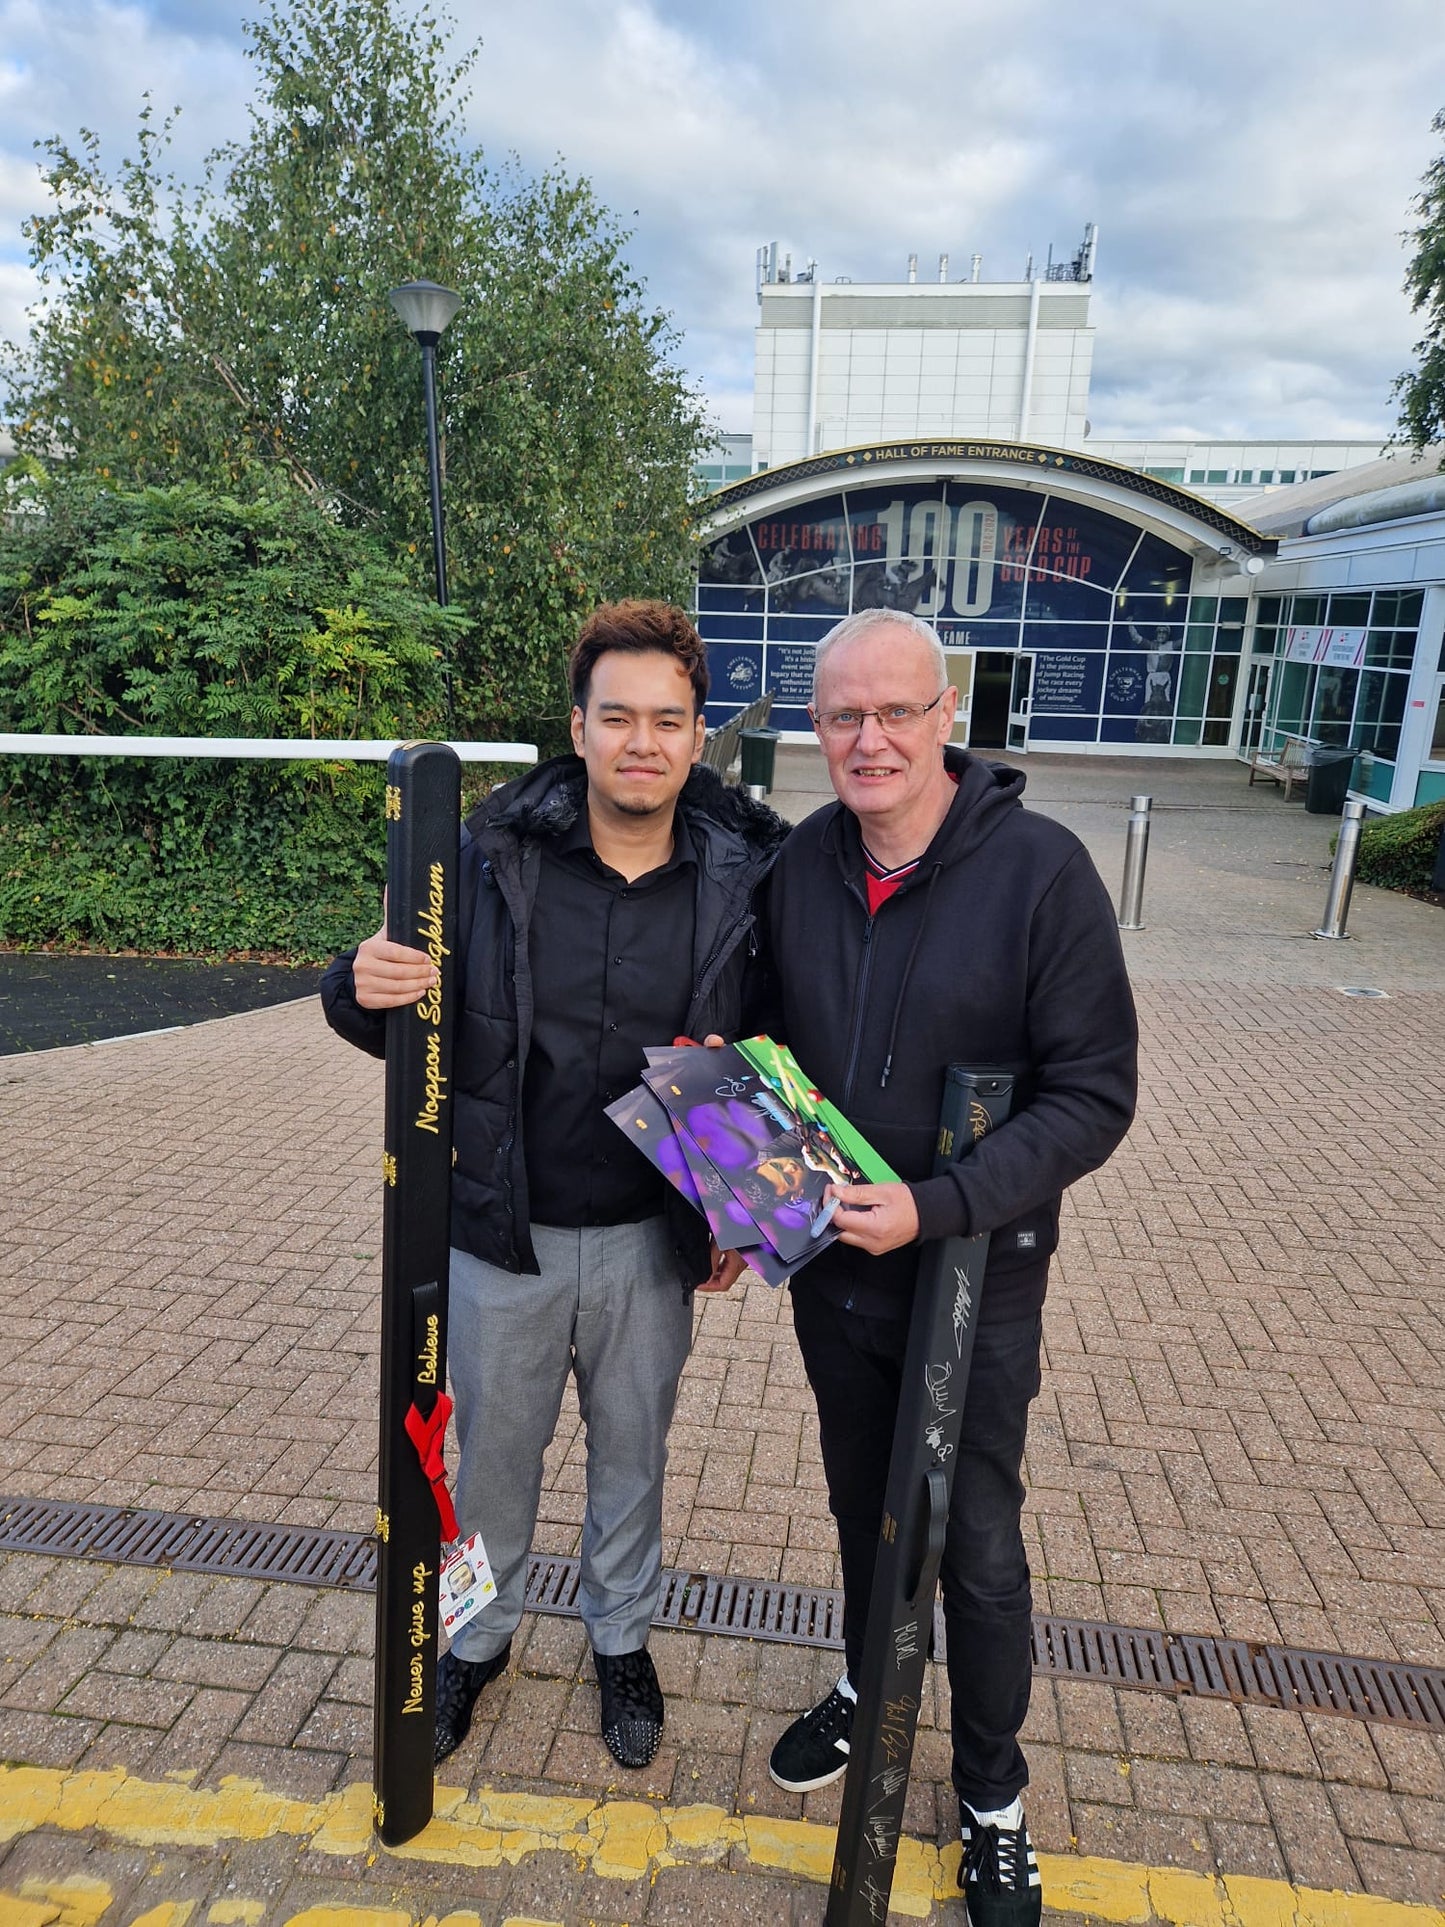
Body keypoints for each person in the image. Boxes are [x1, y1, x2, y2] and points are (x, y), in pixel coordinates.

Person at [321, 601, 785, 1772]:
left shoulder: (746, 879)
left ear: (696, 737)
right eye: (616, 716)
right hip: (502, 1234)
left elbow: (764, 1044)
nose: (642, 741)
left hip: (647, 1240)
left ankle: (621, 1639)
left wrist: (740, 1206)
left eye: (668, 720)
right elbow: (400, 1021)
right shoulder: (482, 861)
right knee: (487, 1463)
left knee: (633, 1453)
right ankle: (473, 1641)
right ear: (576, 729)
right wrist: (355, 983)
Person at [762, 608, 1137, 1927]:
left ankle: (990, 1796)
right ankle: (872, 1684)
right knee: (863, 1508)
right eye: (842, 715)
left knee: (970, 1542)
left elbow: (1094, 1094)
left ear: (945, 717)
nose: (869, 738)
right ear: (816, 730)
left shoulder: (1041, 871)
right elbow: (756, 1045)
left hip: (975, 1277)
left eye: (896, 711)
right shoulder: (798, 864)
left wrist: (939, 1204)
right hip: (833, 1273)